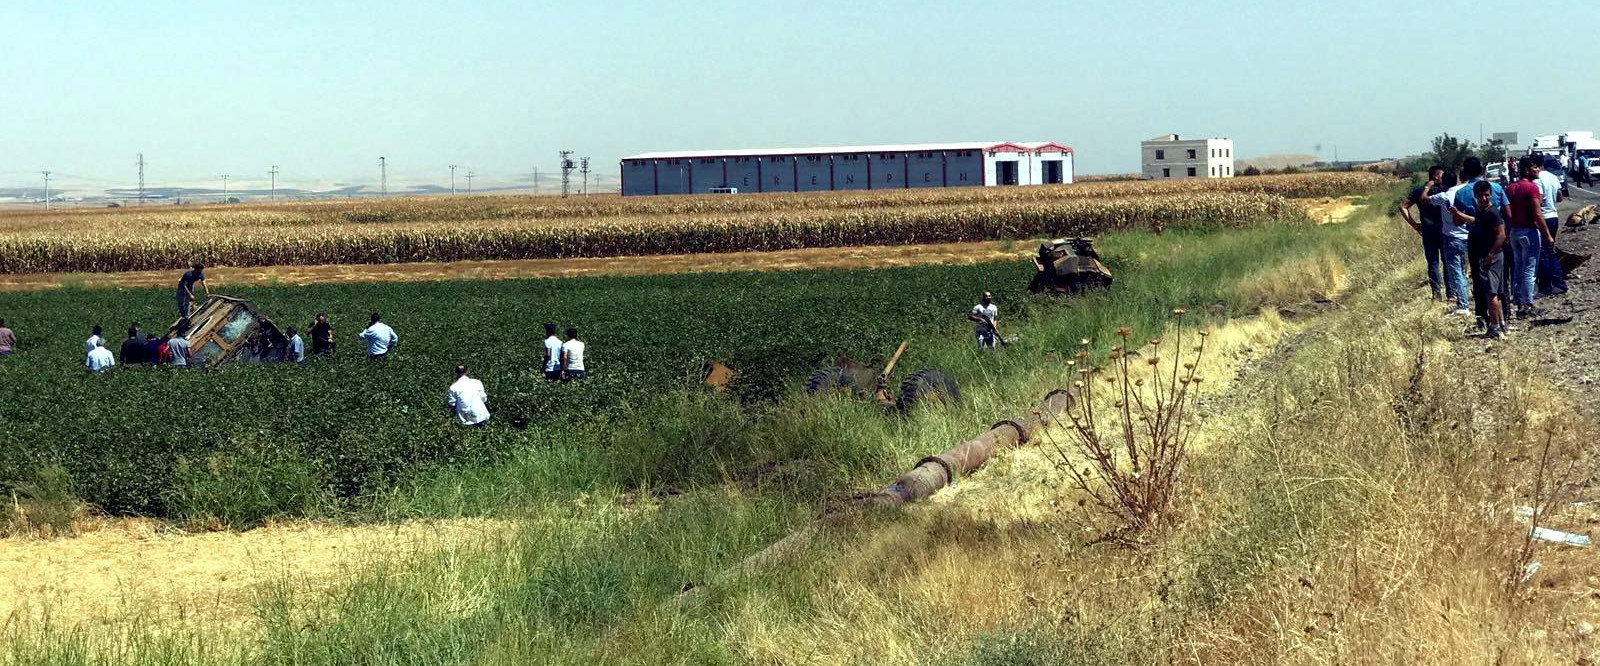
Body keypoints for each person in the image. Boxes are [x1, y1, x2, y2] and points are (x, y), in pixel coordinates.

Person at [1438, 157, 1511, 324]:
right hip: (1498, 238)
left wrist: (1466, 217)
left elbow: (1456, 221)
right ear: (1482, 171)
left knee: (1479, 281)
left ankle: (1483, 316)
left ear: (1465, 172)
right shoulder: (1497, 188)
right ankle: (1503, 317)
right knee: (1501, 281)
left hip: (1476, 240)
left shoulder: (1461, 193)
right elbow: (1508, 213)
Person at [1505, 158, 1555, 319]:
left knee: (1518, 268)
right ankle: (1528, 303)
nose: (1538, 169)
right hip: (1529, 231)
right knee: (1529, 270)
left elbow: (1506, 212)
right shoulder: (1531, 188)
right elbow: (1537, 213)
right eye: (1535, 167)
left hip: (1515, 231)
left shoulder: (1510, 188)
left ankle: (1519, 303)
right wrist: (1547, 234)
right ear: (1527, 169)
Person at [1467, 181, 1510, 339]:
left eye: (1487, 195)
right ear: (1476, 196)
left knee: (1491, 293)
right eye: (1480, 196)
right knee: (1495, 293)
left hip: (1491, 256)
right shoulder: (1481, 211)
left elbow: (1501, 235)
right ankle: (1501, 324)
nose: (1484, 198)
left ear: (1491, 194)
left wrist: (1490, 255)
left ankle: (1495, 327)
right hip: (1488, 255)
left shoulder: (1492, 212)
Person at [1401, 165, 1449, 300]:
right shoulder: (1444, 190)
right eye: (1442, 176)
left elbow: (1403, 206)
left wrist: (1414, 224)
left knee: (1433, 262)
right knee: (1447, 261)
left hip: (1427, 230)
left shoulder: (1419, 190)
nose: (1444, 179)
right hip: (1444, 230)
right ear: (1435, 176)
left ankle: (1436, 293)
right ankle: (1451, 293)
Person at [1535, 157, 1569, 297]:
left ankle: (1545, 286)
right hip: (1554, 216)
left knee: (1543, 253)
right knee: (1550, 251)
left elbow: (1539, 200)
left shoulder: (1537, 179)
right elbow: (1560, 197)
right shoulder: (1553, 177)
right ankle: (1559, 283)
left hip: (1544, 218)